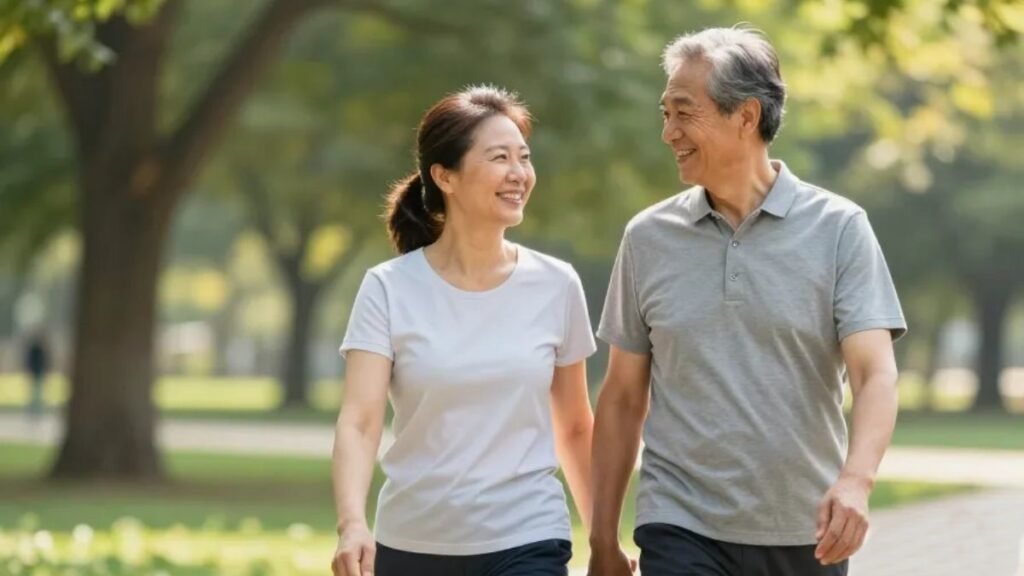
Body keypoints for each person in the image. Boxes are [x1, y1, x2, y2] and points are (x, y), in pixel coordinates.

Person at [587, 27, 906, 576]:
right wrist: (600, 539)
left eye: (684, 113)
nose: (668, 132)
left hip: (807, 529)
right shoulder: (648, 237)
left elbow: (875, 373)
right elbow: (620, 397)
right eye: (665, 113)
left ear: (747, 116)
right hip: (679, 522)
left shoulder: (839, 229)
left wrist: (856, 480)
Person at [331, 85, 597, 576]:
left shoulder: (557, 285)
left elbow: (576, 426)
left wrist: (602, 541)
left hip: (528, 536)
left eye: (524, 157)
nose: (519, 173)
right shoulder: (389, 288)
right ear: (445, 175)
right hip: (413, 542)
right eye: (499, 158)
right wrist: (352, 524)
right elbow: (360, 421)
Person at [24, 332, 49, 418]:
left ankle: (36, 410)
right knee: (35, 393)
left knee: (37, 393)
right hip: (35, 372)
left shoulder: (39, 349)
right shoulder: (36, 349)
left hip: (38, 372)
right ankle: (33, 410)